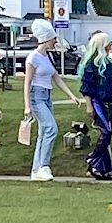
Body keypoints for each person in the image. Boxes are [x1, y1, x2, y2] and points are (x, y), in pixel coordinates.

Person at [24, 18, 80, 181]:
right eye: (53, 38)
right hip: (37, 97)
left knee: (43, 133)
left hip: (47, 96)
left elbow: (56, 77)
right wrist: (27, 106)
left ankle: (36, 170)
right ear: (46, 39)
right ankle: (44, 166)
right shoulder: (33, 58)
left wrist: (71, 95)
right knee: (51, 129)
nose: (56, 41)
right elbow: (27, 83)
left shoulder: (47, 57)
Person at [79, 32, 112, 180]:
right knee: (106, 132)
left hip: (110, 102)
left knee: (108, 135)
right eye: (109, 43)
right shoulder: (91, 65)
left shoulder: (111, 64)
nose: (111, 45)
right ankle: (92, 158)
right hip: (97, 102)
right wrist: (89, 106)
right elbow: (87, 87)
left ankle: (101, 169)